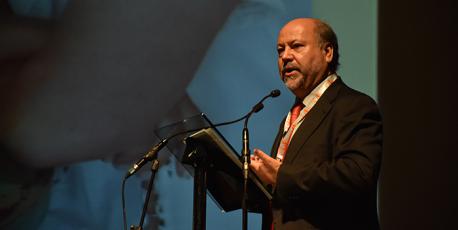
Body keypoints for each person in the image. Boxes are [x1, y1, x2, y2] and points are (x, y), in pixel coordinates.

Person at [250, 18, 382, 229]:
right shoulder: (293, 115)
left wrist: (281, 177)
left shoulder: (355, 106)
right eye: (280, 50)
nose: (285, 56)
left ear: (327, 52)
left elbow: (357, 175)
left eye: (296, 46)